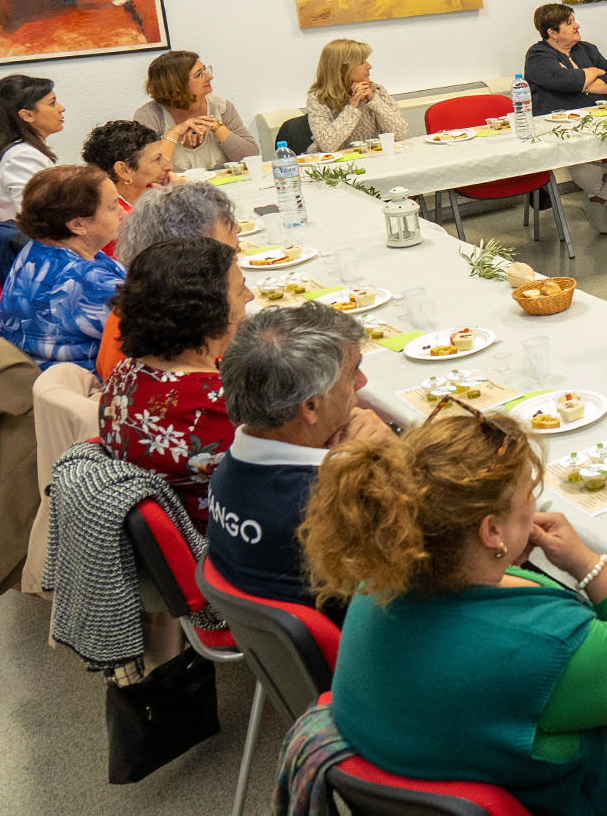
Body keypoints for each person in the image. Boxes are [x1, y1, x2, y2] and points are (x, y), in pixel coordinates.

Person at [304, 402, 607, 816]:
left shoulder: (376, 580)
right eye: (528, 496)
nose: (535, 505)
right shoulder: (549, 650)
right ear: (491, 531)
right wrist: (588, 564)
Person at [208, 302, 391, 620]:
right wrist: (388, 456)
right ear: (310, 406)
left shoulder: (231, 462)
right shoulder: (336, 502)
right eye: (352, 373)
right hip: (362, 647)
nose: (361, 382)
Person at [97, 236, 252, 527]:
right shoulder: (211, 407)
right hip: (233, 538)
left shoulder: (127, 372)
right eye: (241, 289)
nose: (251, 296)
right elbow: (296, 470)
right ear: (207, 311)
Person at [101, 181, 244, 381]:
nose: (237, 230)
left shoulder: (137, 306)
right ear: (191, 251)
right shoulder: (188, 325)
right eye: (227, 226)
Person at [0, 165, 128, 373]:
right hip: (87, 390)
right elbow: (167, 334)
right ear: (77, 225)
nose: (122, 211)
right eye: (112, 206)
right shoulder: (84, 282)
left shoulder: (38, 249)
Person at [525, 3, 607, 211]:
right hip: (562, 128)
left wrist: (581, 83)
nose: (577, 25)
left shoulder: (587, 49)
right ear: (552, 33)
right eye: (570, 23)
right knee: (585, 158)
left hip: (601, 118)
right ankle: (599, 201)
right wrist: (592, 71)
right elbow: (564, 81)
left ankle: (600, 201)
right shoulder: (537, 56)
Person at [134, 49, 259, 173]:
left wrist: (216, 126)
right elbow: (147, 170)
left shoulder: (221, 107)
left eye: (205, 70)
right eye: (199, 74)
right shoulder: (149, 115)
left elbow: (251, 156)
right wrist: (174, 132)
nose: (210, 77)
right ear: (176, 85)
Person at [0, 74, 62, 223]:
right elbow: (38, 219)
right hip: (26, 244)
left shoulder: (14, 151)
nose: (61, 108)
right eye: (52, 103)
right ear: (27, 115)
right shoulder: (23, 156)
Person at [306, 39, 408, 152]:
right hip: (336, 165)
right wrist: (352, 106)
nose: (369, 66)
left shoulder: (377, 91)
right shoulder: (318, 99)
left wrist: (373, 100)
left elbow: (400, 134)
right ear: (341, 69)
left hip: (373, 158)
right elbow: (328, 146)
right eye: (361, 63)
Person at [81, 120, 173, 211]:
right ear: (123, 171)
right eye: (157, 159)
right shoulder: (115, 217)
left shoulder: (152, 191)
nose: (169, 166)